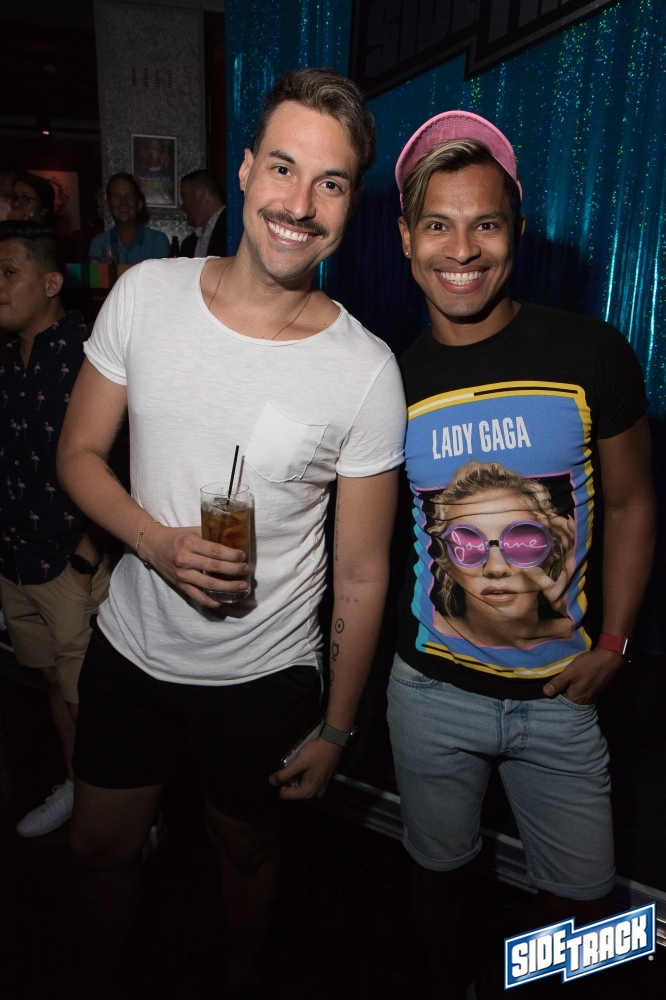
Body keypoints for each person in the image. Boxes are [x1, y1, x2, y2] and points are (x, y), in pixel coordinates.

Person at [57, 67, 405, 999]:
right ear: (246, 171)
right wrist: (154, 543)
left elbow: (362, 573)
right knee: (98, 847)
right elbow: (79, 455)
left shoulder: (367, 372)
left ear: (352, 205)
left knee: (243, 849)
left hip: (264, 678)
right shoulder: (145, 294)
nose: (299, 204)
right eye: (283, 169)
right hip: (133, 650)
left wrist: (337, 727)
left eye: (330, 183)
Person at [386, 111, 656, 999]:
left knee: (586, 911)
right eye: (437, 224)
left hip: (561, 700)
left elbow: (632, 503)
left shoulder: (591, 352)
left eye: (486, 223)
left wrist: (615, 644)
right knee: (435, 880)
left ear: (518, 231)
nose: (462, 248)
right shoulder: (388, 381)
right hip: (430, 695)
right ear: (406, 239)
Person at [0, 221, 112, 836]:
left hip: (70, 560)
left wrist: (86, 558)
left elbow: (126, 460)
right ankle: (75, 787)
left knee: (86, 697)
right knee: (47, 678)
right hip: (15, 558)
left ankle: (124, 815)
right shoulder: (6, 356)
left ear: (49, 283)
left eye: (8, 272)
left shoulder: (88, 353)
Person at [424, 460, 575, 647]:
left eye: (520, 543)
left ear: (553, 553)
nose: (496, 568)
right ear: (446, 563)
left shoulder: (578, 637)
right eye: (471, 546)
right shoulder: (429, 631)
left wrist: (570, 606)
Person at [88, 173, 170, 264]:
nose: (123, 202)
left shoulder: (157, 241)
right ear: (107, 205)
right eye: (116, 196)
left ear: (139, 204)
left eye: (129, 196)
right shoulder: (99, 243)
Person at [180, 168, 226, 257]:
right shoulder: (188, 244)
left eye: (184, 197)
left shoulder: (233, 229)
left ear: (200, 194)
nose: (183, 206)